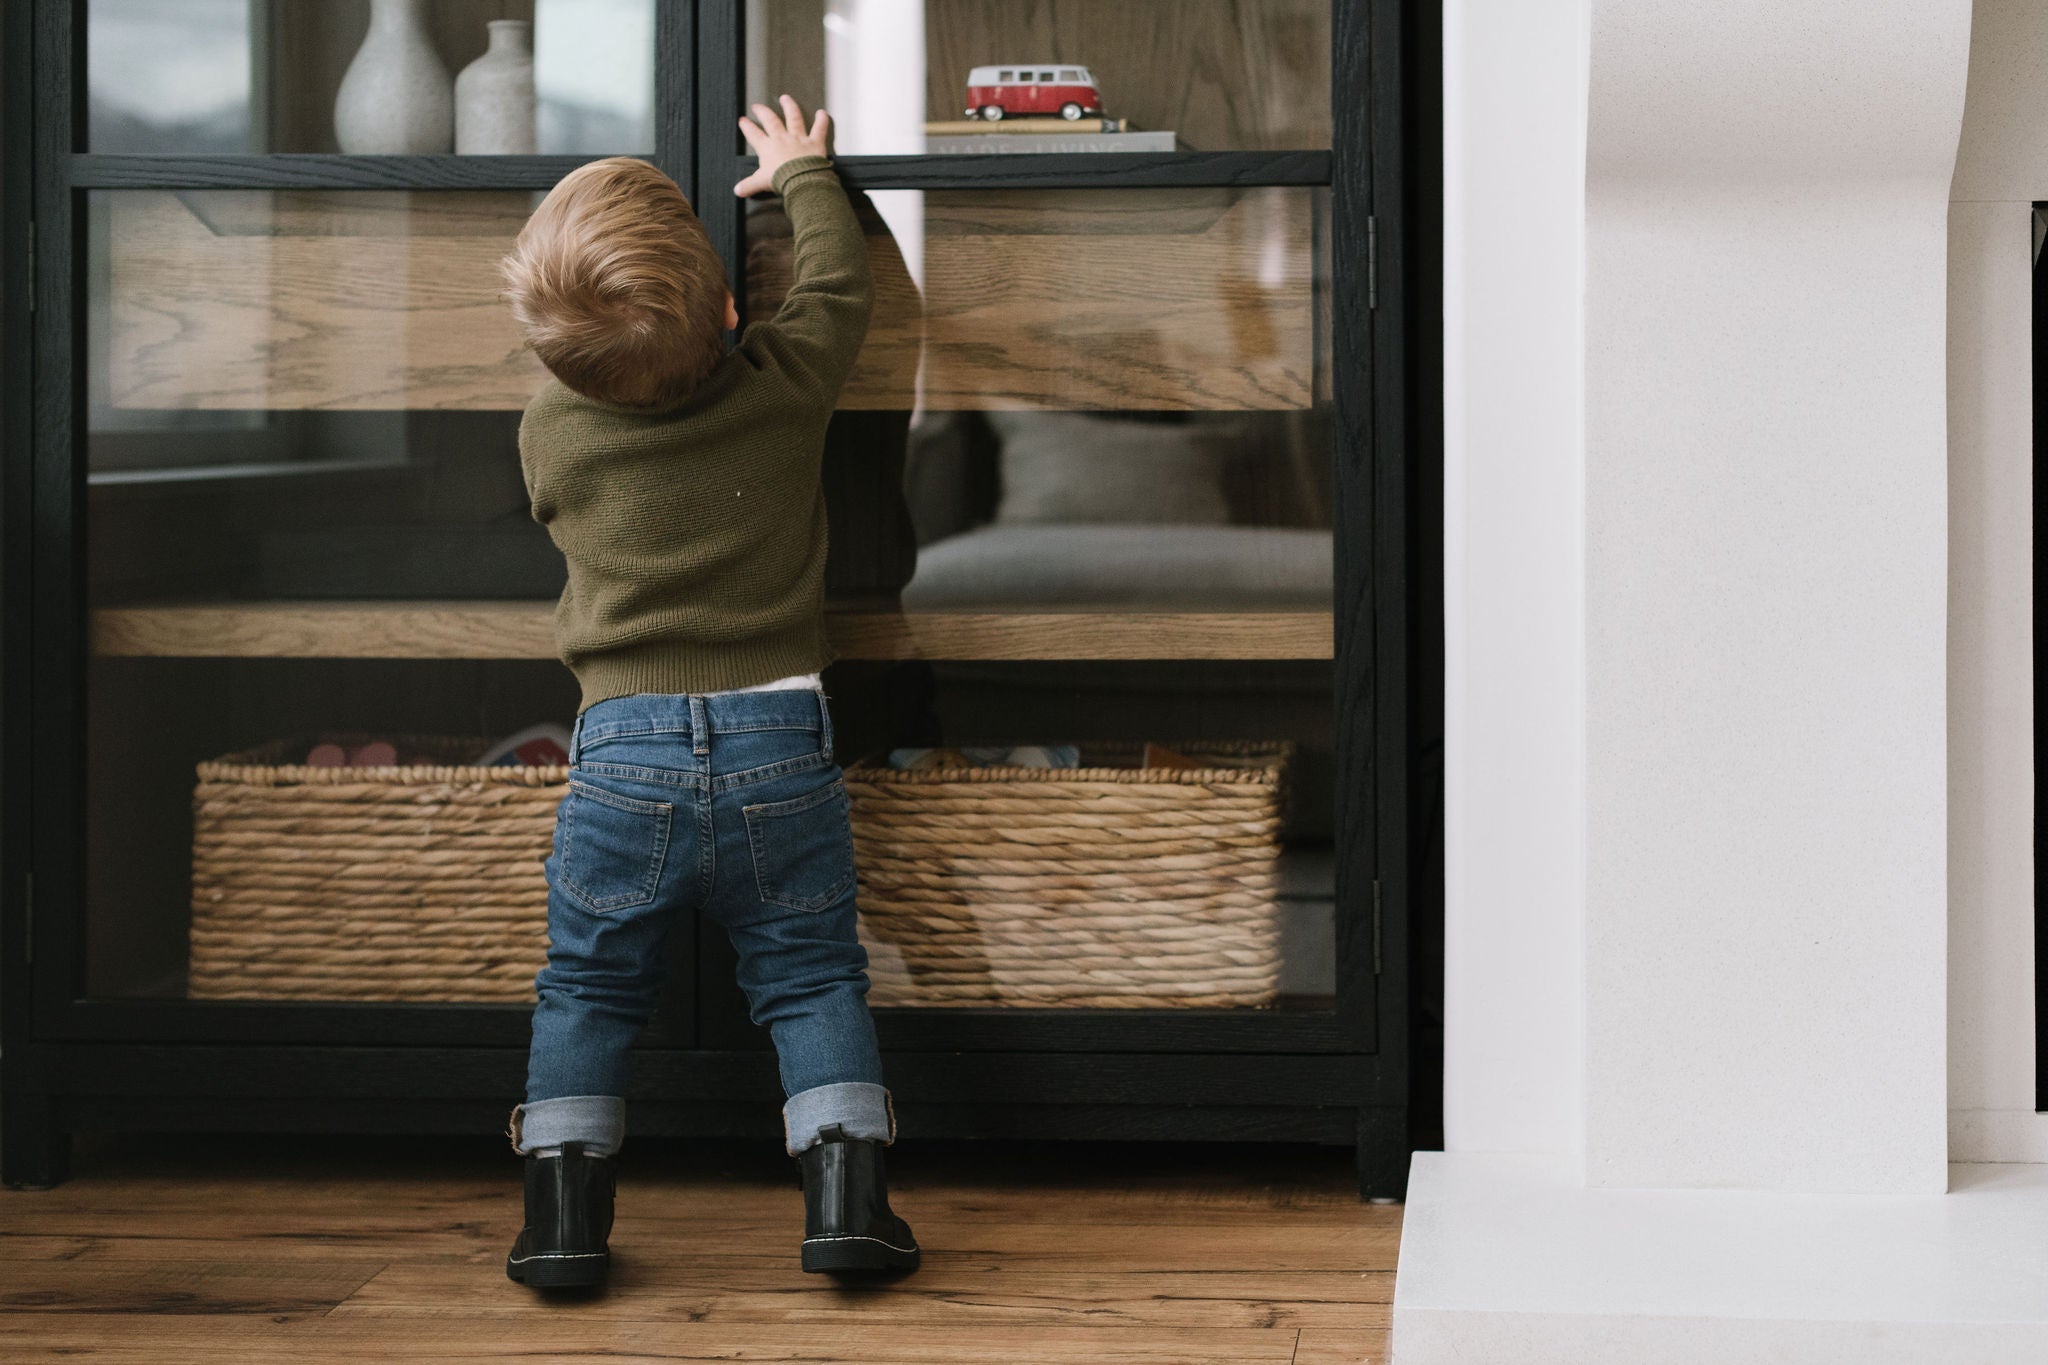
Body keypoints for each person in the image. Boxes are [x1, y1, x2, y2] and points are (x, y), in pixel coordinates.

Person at [494, 95, 916, 1289]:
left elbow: (555, 499)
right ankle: (846, 1204)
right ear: (730, 310)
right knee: (811, 974)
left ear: (555, 357)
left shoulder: (552, 431)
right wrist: (800, 173)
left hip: (619, 753)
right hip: (781, 740)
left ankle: (562, 1221)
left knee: (585, 984)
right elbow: (838, 290)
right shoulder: (783, 388)